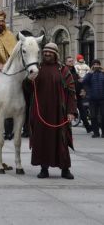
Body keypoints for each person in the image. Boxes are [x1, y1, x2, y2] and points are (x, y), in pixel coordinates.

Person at [29, 43, 76, 180]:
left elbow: (71, 92)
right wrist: (28, 80)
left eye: (50, 52)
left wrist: (71, 111)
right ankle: (44, 169)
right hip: (40, 112)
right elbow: (27, 90)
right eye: (45, 52)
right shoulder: (37, 69)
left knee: (62, 140)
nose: (47, 54)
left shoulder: (63, 70)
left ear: (55, 54)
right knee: (42, 140)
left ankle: (65, 169)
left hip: (59, 113)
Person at [66, 56, 92, 133]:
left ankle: (88, 127)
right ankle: (67, 128)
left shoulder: (74, 71)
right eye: (69, 61)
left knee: (83, 110)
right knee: (68, 112)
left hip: (78, 94)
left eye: (72, 61)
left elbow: (80, 81)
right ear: (66, 62)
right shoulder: (64, 71)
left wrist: (83, 90)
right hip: (68, 95)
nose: (71, 62)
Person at [81, 59, 104, 138]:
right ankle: (96, 132)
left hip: (102, 99)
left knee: (103, 116)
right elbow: (83, 82)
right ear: (92, 66)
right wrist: (90, 73)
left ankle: (103, 133)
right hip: (92, 99)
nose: (96, 66)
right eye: (94, 64)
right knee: (93, 116)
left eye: (98, 64)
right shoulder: (89, 74)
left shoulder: (102, 73)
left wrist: (103, 70)